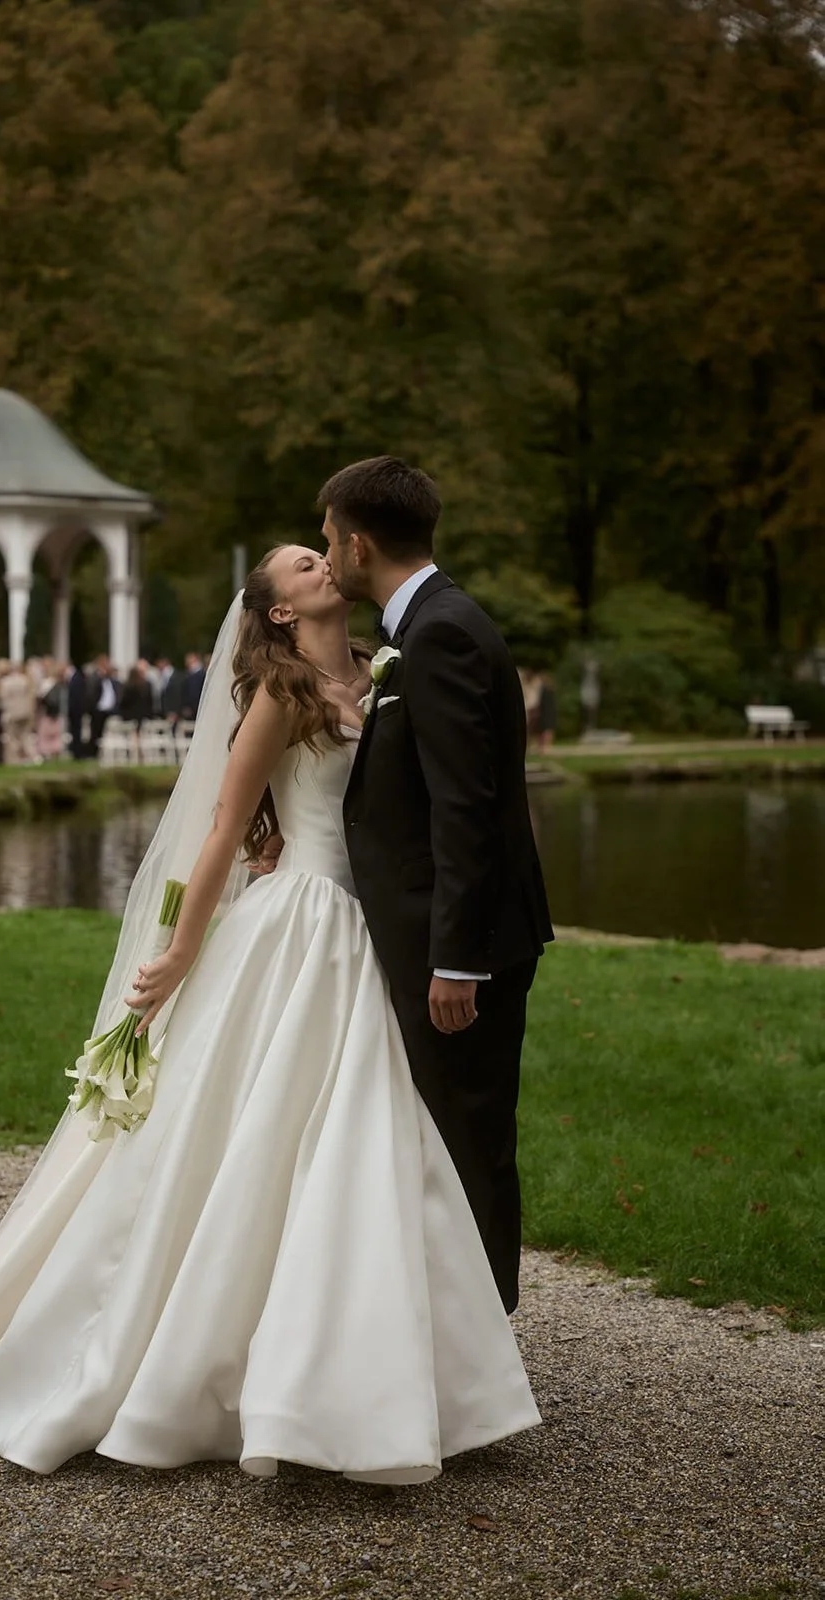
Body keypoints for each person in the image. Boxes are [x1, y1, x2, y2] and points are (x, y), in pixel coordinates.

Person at [0, 544, 540, 1483]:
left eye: (321, 549)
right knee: (263, 1136)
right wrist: (177, 950)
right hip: (296, 924)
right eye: (302, 562)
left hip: (364, 931)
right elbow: (222, 825)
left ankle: (366, 1373)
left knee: (361, 1140)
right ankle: (212, 1364)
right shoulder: (280, 696)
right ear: (281, 611)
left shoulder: (384, 672)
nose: (323, 560)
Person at [322, 456, 553, 1314]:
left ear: (357, 542)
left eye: (327, 541)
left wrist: (456, 960)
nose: (328, 557)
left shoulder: (441, 634)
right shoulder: (421, 629)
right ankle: (456, 1344)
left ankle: (481, 1349)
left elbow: (468, 809)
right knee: (446, 1138)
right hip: (437, 936)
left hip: (463, 947)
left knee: (467, 1142)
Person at [0, 662, 36, 765]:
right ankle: (33, 757)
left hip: (12, 713)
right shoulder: (26, 680)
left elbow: (3, 697)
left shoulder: (6, 682)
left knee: (12, 737)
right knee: (25, 735)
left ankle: (14, 760)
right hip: (26, 712)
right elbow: (32, 696)